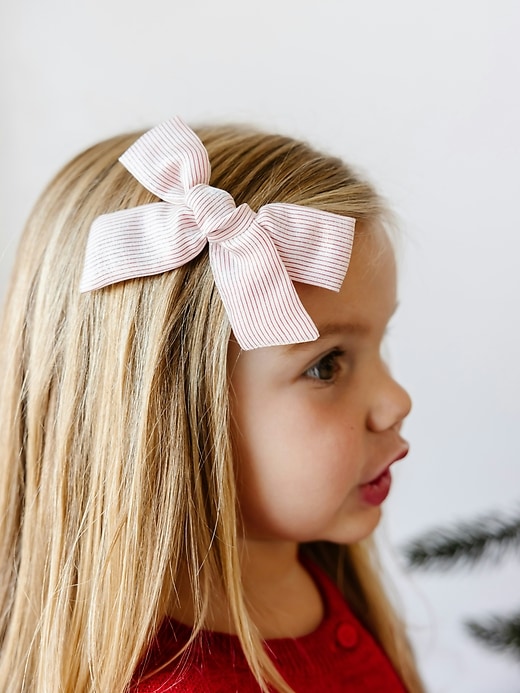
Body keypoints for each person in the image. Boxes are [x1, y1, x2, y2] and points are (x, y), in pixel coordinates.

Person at [0, 116, 424, 692]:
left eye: (379, 342)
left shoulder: (318, 580)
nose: (396, 401)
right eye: (326, 365)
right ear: (165, 414)